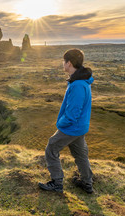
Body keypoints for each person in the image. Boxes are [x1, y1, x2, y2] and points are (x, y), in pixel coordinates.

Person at [38, 48, 94, 194]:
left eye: (64, 61)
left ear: (69, 63)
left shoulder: (77, 85)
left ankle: (57, 183)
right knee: (81, 155)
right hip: (79, 127)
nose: (62, 64)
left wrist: (61, 124)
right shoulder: (81, 81)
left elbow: (72, 114)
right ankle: (87, 183)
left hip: (72, 127)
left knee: (51, 148)